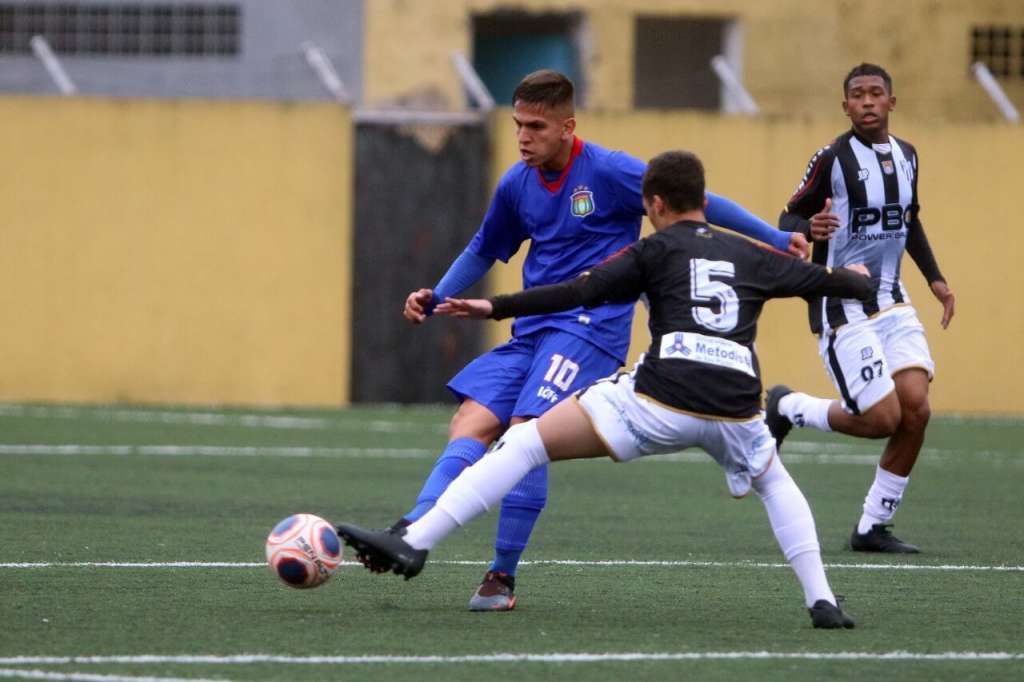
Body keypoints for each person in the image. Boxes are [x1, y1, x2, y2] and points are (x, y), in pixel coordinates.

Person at [338, 150, 872, 629]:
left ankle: (415, 541)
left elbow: (576, 291)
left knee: (524, 443)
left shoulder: (652, 250)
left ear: (654, 204)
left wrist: (493, 307)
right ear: (702, 201)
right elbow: (824, 282)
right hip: (736, 408)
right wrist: (856, 278)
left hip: (660, 400)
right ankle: (822, 601)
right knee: (774, 483)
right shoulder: (749, 254)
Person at [394, 69, 809, 611]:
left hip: (590, 328)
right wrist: (437, 294)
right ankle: (409, 532)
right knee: (470, 420)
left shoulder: (609, 171)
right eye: (518, 125)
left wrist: (776, 237)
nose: (523, 137)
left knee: (525, 431)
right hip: (534, 327)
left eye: (536, 127)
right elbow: (484, 248)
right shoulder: (517, 184)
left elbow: (701, 204)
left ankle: (500, 577)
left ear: (568, 127)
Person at [767, 63, 955, 553]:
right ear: (845, 105)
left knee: (916, 410)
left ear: (892, 101)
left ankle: (873, 525)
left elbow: (908, 220)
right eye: (857, 95)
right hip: (840, 303)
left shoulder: (908, 155)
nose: (867, 101)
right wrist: (809, 229)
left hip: (893, 300)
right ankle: (789, 407)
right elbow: (788, 215)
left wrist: (935, 279)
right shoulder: (831, 158)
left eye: (875, 93)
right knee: (881, 419)